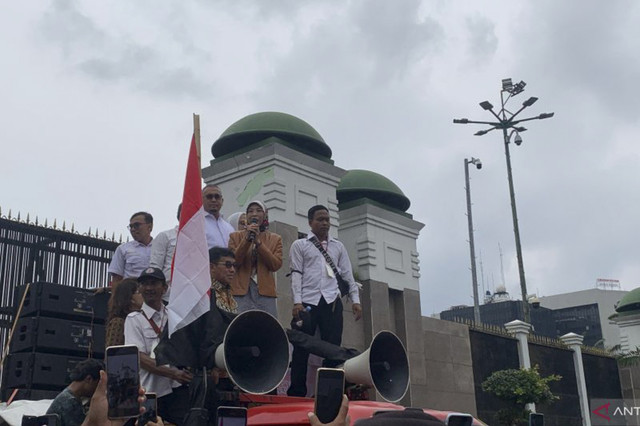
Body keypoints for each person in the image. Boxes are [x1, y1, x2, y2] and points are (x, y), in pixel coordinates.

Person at [154, 247, 239, 426]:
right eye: (228, 265)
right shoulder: (200, 297)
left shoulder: (231, 297)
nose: (232, 270)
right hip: (197, 379)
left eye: (235, 266)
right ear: (211, 267)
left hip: (223, 377)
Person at [287, 205, 362, 397]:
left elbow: (347, 275)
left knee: (333, 349)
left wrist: (356, 300)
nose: (325, 223)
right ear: (310, 222)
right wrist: (297, 302)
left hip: (331, 301)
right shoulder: (300, 245)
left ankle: (328, 392)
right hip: (307, 302)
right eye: (320, 219)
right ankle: (296, 391)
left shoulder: (338, 246)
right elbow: (296, 274)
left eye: (327, 219)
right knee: (301, 347)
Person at [124, 267, 192, 425]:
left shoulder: (174, 316)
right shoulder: (134, 319)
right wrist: (172, 373)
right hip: (149, 392)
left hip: (176, 390)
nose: (148, 288)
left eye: (153, 283)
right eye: (144, 284)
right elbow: (139, 358)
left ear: (164, 287)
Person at [228, 200, 282, 317]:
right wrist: (247, 239)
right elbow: (234, 261)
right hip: (240, 291)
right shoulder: (235, 236)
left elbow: (275, 265)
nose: (254, 214)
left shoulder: (275, 239)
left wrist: (258, 243)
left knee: (266, 326)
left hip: (265, 292)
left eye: (258, 211)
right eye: (250, 211)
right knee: (240, 325)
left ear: (265, 215)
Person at [46, 359, 104, 426]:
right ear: (89, 379)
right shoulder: (70, 402)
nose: (97, 389)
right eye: (97, 384)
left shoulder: (67, 397)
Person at [109, 212, 154, 287]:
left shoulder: (160, 247)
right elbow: (116, 278)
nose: (133, 229)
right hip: (130, 294)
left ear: (150, 226)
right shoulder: (123, 249)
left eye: (137, 225)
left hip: (155, 294)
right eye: (131, 226)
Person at [149, 204, 181, 300]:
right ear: (179, 215)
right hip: (168, 296)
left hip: (192, 296)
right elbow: (155, 267)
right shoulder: (166, 236)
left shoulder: (201, 240)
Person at [105, 279, 143, 347]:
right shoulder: (118, 322)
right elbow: (113, 353)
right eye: (139, 292)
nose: (143, 295)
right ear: (131, 298)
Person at [202, 184, 234, 249]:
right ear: (201, 200)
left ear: (222, 201)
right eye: (209, 197)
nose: (213, 200)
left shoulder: (229, 227)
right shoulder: (197, 224)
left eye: (217, 197)